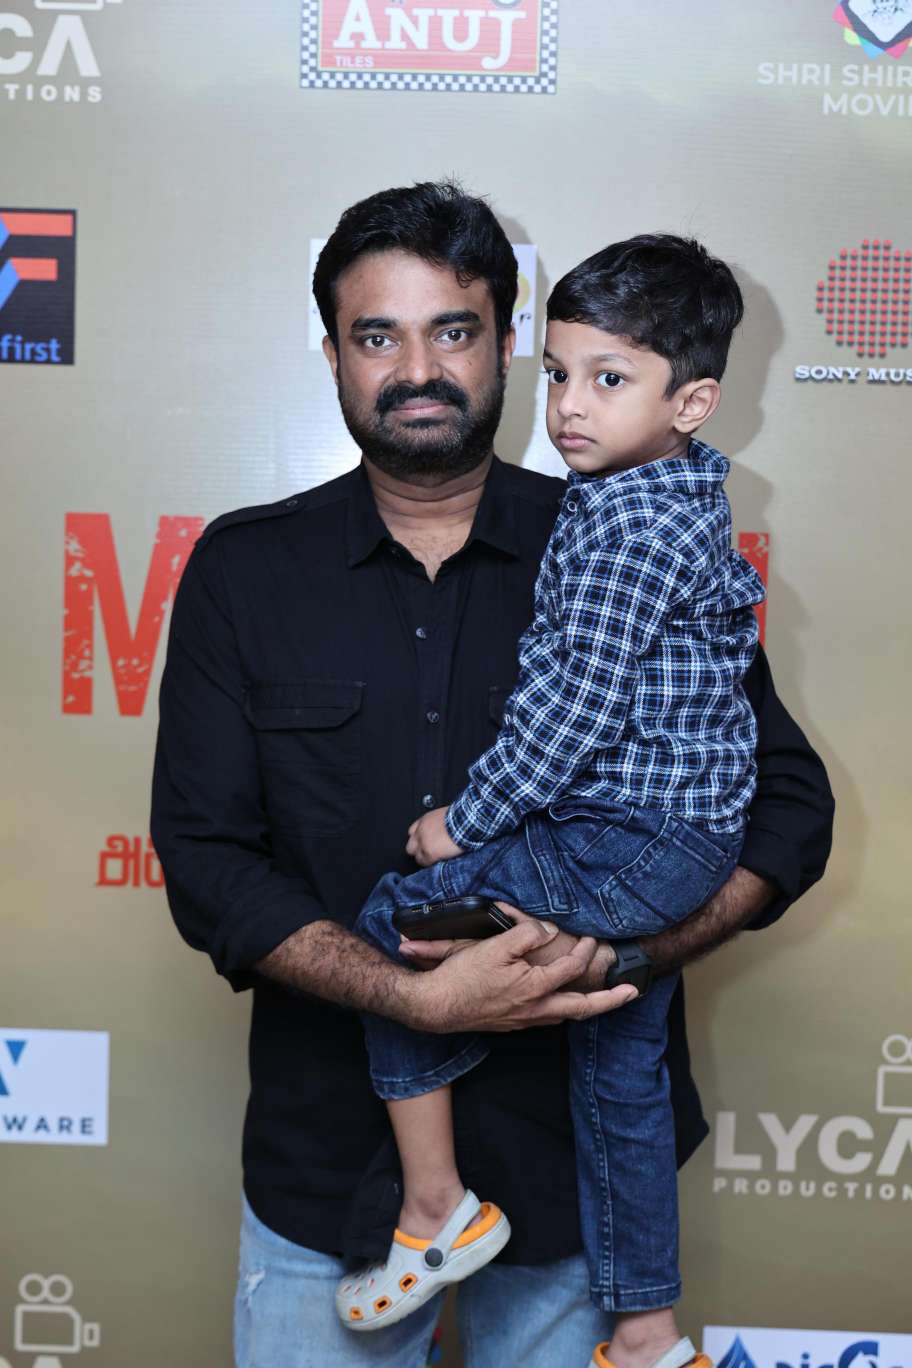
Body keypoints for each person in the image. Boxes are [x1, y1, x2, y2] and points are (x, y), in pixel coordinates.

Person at [150, 181, 834, 1368]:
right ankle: (433, 1197)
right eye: (378, 337)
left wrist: (625, 953)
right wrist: (408, 998)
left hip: (575, 1190)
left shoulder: (623, 540)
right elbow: (209, 866)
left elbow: (785, 805)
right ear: (332, 356)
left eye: (453, 330)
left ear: (508, 343)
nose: (418, 369)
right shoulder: (245, 572)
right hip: (328, 1179)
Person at [342, 234, 764, 1368]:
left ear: (692, 402)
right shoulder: (656, 496)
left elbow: (572, 712)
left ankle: (436, 1209)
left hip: (632, 836)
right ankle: (647, 1333)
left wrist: (463, 824)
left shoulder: (627, 525)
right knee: (621, 1066)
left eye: (609, 379)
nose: (570, 405)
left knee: (393, 919)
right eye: (562, 372)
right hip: (671, 840)